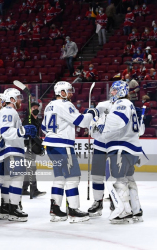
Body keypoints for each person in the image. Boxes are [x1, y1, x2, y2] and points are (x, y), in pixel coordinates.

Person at [42, 81, 98, 223]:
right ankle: (73, 210)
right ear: (61, 92)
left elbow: (43, 127)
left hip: (51, 145)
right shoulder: (65, 104)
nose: (71, 93)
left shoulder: (49, 106)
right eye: (68, 90)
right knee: (73, 177)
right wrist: (91, 113)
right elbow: (82, 122)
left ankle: (55, 210)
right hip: (63, 146)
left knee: (59, 178)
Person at [94, 81, 145, 223]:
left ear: (122, 91)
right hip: (130, 148)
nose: (112, 93)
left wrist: (99, 122)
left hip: (121, 148)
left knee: (118, 180)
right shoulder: (130, 105)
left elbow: (117, 122)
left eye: (115, 90)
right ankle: (136, 210)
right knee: (129, 179)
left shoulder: (122, 104)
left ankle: (123, 212)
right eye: (112, 90)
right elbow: (140, 129)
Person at [0, 88, 37, 222]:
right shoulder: (8, 110)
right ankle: (14, 209)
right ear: (12, 100)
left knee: (7, 180)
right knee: (17, 179)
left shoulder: (8, 111)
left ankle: (7, 207)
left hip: (8, 149)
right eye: (18, 98)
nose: (20, 100)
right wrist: (23, 131)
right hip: (12, 149)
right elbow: (6, 131)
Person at [87, 97, 113, 217]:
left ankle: (116, 201)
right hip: (99, 147)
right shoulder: (98, 111)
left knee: (114, 177)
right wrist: (95, 126)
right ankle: (98, 202)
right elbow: (92, 133)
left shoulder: (122, 109)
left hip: (114, 147)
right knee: (96, 177)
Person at [22, 102, 46, 198]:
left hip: (34, 146)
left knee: (30, 168)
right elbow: (30, 135)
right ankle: (34, 190)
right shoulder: (27, 120)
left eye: (37, 108)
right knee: (31, 168)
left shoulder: (37, 120)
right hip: (28, 146)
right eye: (33, 108)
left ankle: (23, 189)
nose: (36, 109)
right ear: (30, 109)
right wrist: (41, 143)